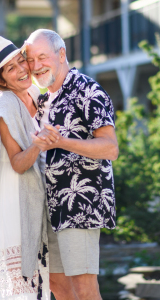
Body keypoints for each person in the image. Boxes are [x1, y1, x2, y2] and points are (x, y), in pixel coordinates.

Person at [25, 29, 119, 300]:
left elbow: (110, 148)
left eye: (42, 57)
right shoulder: (44, 100)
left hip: (80, 206)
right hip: (51, 207)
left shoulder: (87, 90)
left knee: (84, 288)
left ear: (61, 54)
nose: (36, 66)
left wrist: (62, 142)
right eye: (31, 60)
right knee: (57, 284)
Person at [0, 36, 51, 300]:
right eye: (10, 69)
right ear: (1, 80)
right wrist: (40, 145)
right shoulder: (5, 103)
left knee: (36, 286)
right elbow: (18, 163)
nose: (21, 70)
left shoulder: (33, 93)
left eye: (21, 61)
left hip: (30, 199)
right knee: (20, 291)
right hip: (12, 205)